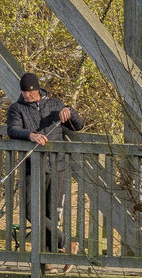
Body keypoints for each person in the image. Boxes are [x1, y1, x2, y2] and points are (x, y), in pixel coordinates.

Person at [5, 72, 84, 264]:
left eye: (29, 92)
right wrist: (30, 135)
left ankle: (48, 261)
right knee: (30, 210)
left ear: (37, 90)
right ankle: (65, 243)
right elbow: (12, 130)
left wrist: (70, 111)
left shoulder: (55, 105)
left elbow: (78, 126)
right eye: (23, 92)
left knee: (51, 214)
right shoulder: (17, 109)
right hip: (33, 166)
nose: (26, 96)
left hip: (58, 167)